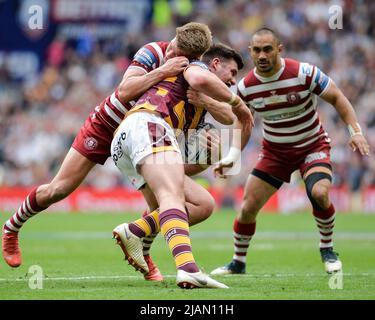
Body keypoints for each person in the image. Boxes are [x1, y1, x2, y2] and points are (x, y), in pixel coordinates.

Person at [1, 22, 233, 271]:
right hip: (108, 124)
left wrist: (210, 157)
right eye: (173, 46)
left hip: (143, 134)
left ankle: (140, 247)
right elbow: (124, 91)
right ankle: (12, 227)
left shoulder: (192, 80)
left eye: (178, 54)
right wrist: (163, 70)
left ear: (193, 58)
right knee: (58, 189)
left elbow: (181, 167)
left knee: (164, 200)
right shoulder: (154, 51)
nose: (171, 53)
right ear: (174, 38)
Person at [211, 27, 371, 276]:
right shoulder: (247, 87)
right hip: (275, 152)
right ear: (250, 52)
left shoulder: (304, 73)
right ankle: (238, 262)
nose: (262, 55)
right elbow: (243, 121)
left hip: (312, 146)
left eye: (267, 49)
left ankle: (327, 249)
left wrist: (356, 131)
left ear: (279, 49)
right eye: (256, 50)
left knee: (319, 192)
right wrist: (232, 155)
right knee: (247, 208)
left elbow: (338, 97)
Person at [110, 29, 252, 289]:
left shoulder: (198, 101)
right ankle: (187, 268)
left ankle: (137, 230)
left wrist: (213, 155)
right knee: (171, 198)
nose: (233, 81)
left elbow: (225, 117)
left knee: (203, 204)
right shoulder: (196, 66)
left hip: (131, 141)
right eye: (231, 74)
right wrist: (237, 103)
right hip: (148, 126)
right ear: (215, 64)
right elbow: (203, 82)